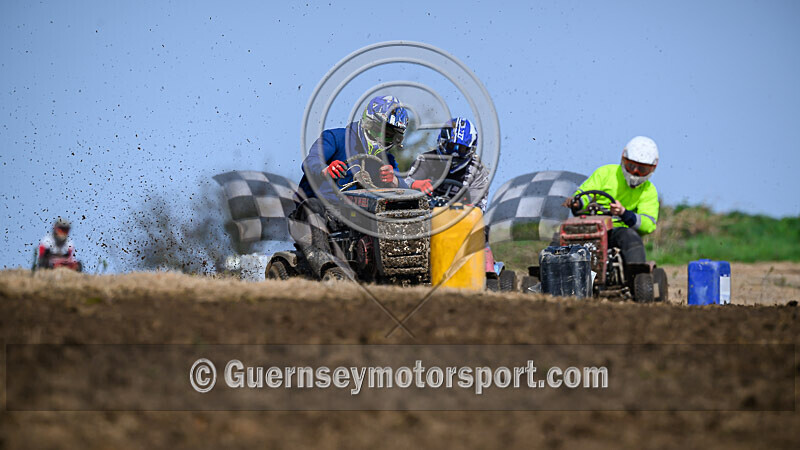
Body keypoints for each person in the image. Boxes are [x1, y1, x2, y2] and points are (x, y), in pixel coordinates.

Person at [291, 95, 410, 277]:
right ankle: (324, 269)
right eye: (384, 132)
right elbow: (310, 162)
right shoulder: (336, 138)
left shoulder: (387, 159)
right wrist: (325, 170)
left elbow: (402, 188)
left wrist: (394, 180)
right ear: (371, 124)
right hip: (315, 212)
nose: (387, 138)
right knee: (314, 207)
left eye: (392, 135)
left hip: (353, 216)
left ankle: (396, 268)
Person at [566, 136, 660, 265]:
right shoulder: (605, 173)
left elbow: (648, 225)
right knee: (560, 239)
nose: (635, 172)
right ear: (623, 159)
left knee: (631, 238)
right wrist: (578, 203)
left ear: (652, 168)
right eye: (631, 166)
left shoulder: (649, 191)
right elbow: (584, 194)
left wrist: (624, 213)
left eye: (642, 169)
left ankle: (635, 277)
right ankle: (552, 275)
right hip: (589, 226)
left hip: (618, 231)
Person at [405, 117, 490, 212]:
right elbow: (402, 186)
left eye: (461, 149)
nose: (455, 154)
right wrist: (413, 184)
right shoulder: (426, 159)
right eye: (451, 146)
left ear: (470, 150)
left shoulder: (477, 171)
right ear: (442, 142)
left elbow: (477, 212)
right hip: (422, 217)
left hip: (458, 221)